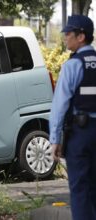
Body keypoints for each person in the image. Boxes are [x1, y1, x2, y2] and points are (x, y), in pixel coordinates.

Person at [50, 15, 96, 220]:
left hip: (80, 134)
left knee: (80, 189)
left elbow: (59, 106)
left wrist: (55, 140)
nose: (65, 37)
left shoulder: (72, 66)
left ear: (81, 36)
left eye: (68, 33)